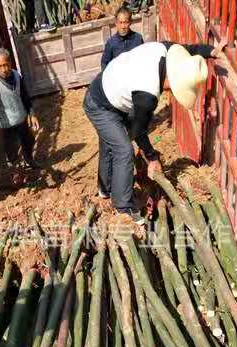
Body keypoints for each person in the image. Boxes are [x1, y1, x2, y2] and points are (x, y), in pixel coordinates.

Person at [84, 40, 226, 224]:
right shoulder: (147, 94)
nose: (171, 92)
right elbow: (138, 131)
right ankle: (123, 207)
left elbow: (189, 50)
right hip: (99, 103)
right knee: (123, 150)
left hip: (111, 88)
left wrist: (211, 51)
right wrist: (152, 158)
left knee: (111, 141)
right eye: (174, 88)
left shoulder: (166, 51)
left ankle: (106, 188)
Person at [0, 48, 40, 168]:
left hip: (21, 119)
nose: (4, 69)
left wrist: (32, 113)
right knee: (12, 151)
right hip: (7, 126)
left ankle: (29, 161)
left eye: (6, 65)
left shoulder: (16, 75)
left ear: (10, 63)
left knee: (29, 141)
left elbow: (25, 95)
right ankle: (17, 172)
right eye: (0, 66)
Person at [101, 5, 143, 70]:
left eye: (125, 22)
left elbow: (143, 59)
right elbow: (104, 64)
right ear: (116, 23)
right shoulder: (111, 43)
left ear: (130, 22)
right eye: (120, 23)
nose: (123, 26)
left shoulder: (138, 39)